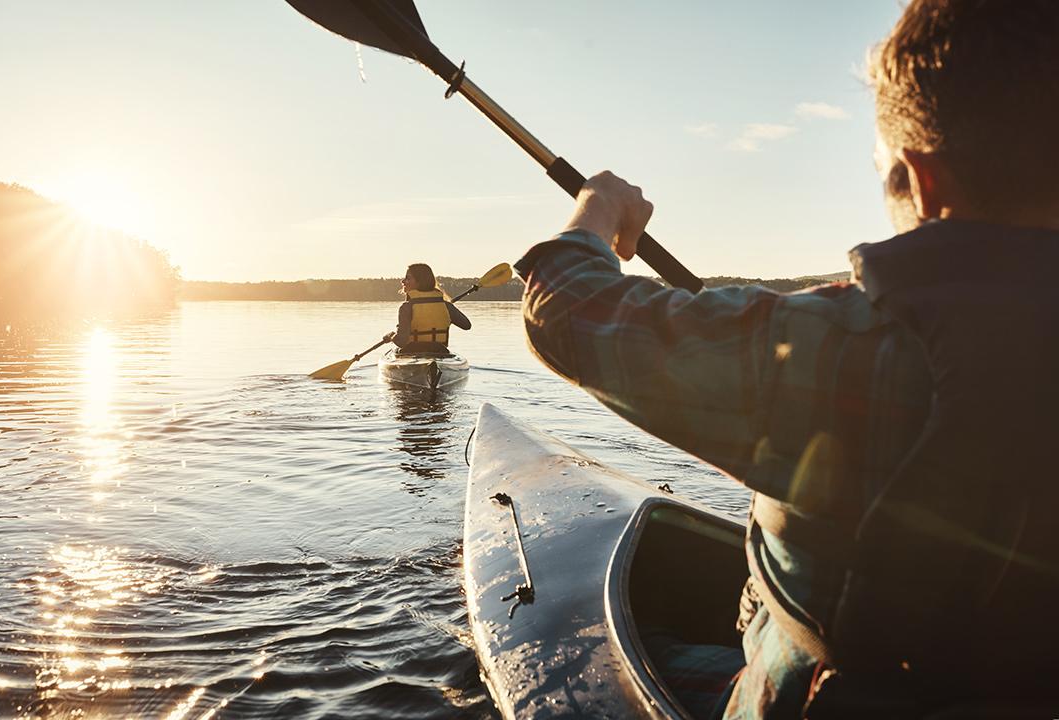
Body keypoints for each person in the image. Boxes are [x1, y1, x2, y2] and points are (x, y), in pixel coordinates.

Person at [514, 1, 1059, 717]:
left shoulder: (841, 344)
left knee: (628, 651)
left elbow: (563, 310)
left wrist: (598, 209)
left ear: (924, 182)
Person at [390, 263, 471, 354]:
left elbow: (401, 342)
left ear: (420, 281)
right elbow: (466, 325)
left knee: (395, 351)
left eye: (408, 278)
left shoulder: (406, 307)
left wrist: (392, 337)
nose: (403, 281)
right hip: (440, 352)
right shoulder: (446, 306)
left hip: (412, 352)